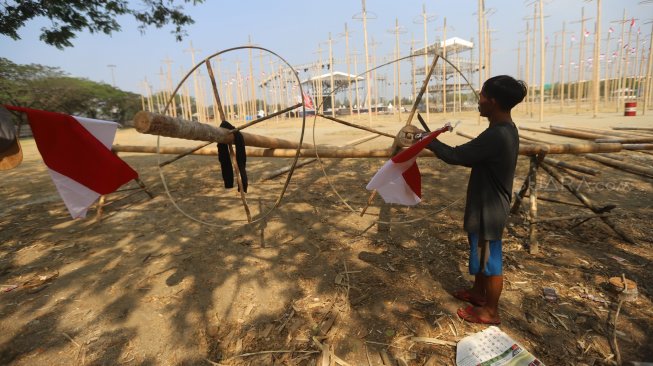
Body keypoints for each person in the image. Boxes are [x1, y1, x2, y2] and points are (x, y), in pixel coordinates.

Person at [427, 75, 527, 324]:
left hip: (490, 209)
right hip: (485, 204)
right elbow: (472, 156)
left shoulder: (498, 134)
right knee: (481, 252)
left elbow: (455, 155)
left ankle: (491, 311)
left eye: (482, 96)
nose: (479, 100)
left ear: (492, 101)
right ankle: (478, 294)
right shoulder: (501, 130)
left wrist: (426, 140)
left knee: (491, 260)